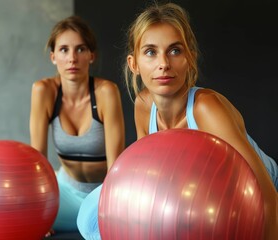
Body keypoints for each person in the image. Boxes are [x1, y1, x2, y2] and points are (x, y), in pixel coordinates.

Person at [77, 2, 278, 240]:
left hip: (256, 192)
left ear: (190, 59)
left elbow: (265, 194)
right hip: (194, 193)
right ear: (134, 64)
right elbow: (146, 180)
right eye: (151, 52)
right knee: (91, 216)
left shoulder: (206, 108)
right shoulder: (143, 104)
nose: (164, 64)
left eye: (174, 51)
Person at [29, 15, 125, 234]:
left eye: (80, 49)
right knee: (16, 213)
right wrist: (37, 216)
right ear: (53, 57)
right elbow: (38, 159)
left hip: (102, 193)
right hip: (64, 193)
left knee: (96, 229)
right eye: (64, 50)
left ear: (91, 56)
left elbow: (115, 166)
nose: (72, 58)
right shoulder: (44, 91)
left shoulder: (106, 93)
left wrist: (108, 209)